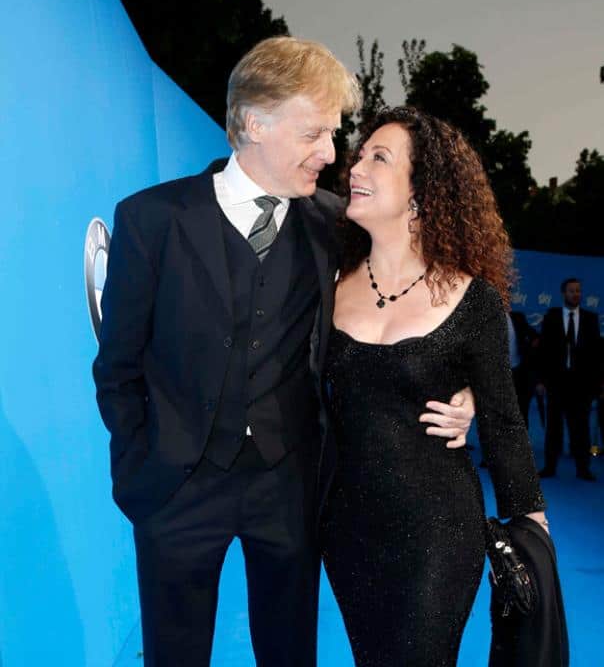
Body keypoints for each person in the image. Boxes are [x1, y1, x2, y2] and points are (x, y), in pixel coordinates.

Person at [92, 39, 475, 667]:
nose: (331, 154)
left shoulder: (338, 225)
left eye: (333, 134)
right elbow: (117, 366)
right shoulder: (152, 219)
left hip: (290, 487)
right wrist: (141, 471)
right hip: (175, 488)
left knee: (291, 653)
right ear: (254, 123)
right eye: (314, 133)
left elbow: (440, 297)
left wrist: (466, 386)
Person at [319, 106, 548, 667]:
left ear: (421, 193)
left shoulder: (475, 301)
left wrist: (534, 531)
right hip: (346, 527)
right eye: (359, 155)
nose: (356, 168)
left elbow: (504, 422)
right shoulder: (327, 283)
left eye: (379, 158)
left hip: (439, 528)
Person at [537, 278, 601, 481]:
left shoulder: (591, 319)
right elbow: (543, 351)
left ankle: (583, 469)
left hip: (581, 385)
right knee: (553, 428)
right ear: (563, 293)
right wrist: (541, 380)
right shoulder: (552, 317)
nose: (576, 294)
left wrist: (597, 384)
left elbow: (596, 355)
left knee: (580, 428)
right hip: (556, 383)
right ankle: (550, 467)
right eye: (572, 291)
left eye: (578, 291)